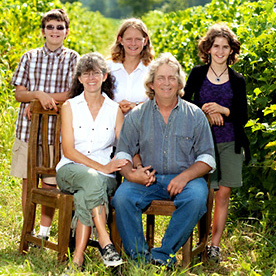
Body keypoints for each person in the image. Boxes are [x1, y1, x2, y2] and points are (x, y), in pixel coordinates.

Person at [111, 52, 216, 267]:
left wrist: (185, 177)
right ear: (151, 83)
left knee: (197, 197)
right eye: (161, 78)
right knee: (122, 197)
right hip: (148, 178)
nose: (166, 83)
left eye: (171, 78)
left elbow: (207, 158)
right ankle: (140, 259)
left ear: (179, 83)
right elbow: (123, 153)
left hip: (185, 180)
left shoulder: (195, 115)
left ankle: (161, 255)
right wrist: (132, 174)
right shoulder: (137, 115)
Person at [183, 23, 250, 262]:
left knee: (223, 194)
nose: (220, 51)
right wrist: (205, 111)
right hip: (202, 145)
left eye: (225, 47)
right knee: (206, 194)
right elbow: (185, 106)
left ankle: (214, 245)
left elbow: (243, 116)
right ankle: (198, 241)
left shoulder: (237, 80)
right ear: (208, 49)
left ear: (231, 51)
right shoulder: (197, 74)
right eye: (216, 46)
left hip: (230, 143)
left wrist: (223, 109)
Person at [10, 9, 79, 240]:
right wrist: (37, 95)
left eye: (60, 27)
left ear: (66, 32)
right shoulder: (29, 57)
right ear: (43, 31)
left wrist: (43, 99)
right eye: (50, 27)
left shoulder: (72, 58)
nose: (55, 31)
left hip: (55, 133)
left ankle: (43, 233)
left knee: (49, 183)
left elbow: (72, 93)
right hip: (28, 131)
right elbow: (20, 94)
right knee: (28, 181)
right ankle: (26, 230)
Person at [56, 53, 127, 269]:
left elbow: (124, 147)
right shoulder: (69, 106)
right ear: (79, 78)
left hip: (105, 177)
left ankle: (77, 259)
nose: (91, 78)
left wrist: (113, 165)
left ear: (105, 76)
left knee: (87, 193)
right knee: (92, 179)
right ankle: (105, 241)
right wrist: (102, 167)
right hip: (70, 170)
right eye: (86, 74)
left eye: (96, 73)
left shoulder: (114, 110)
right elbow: (68, 150)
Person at [108, 18, 154, 115]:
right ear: (120, 40)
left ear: (145, 41)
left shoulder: (153, 70)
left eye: (138, 39)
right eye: (129, 39)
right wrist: (115, 107)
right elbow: (97, 100)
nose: (133, 43)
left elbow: (159, 102)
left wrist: (137, 107)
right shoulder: (108, 68)